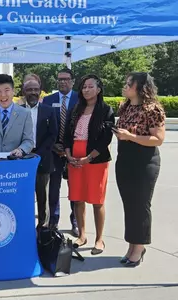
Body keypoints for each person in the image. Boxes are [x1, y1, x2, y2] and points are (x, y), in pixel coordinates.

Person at [113, 72, 165, 267]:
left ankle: (139, 247)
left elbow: (158, 139)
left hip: (144, 162)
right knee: (129, 206)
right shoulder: (125, 106)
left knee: (141, 206)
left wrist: (130, 136)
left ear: (140, 87)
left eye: (129, 84)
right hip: (125, 160)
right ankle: (132, 245)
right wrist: (120, 134)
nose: (125, 86)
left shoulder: (153, 109)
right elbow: (125, 132)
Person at [64, 75, 114, 255]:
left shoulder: (106, 110)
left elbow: (106, 138)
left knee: (96, 200)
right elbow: (67, 135)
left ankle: (99, 239)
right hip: (74, 158)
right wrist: (68, 154)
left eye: (90, 86)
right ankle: (82, 235)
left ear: (99, 90)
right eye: (84, 87)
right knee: (77, 198)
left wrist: (89, 158)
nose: (86, 90)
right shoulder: (76, 109)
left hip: (95, 159)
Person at [42, 68, 79, 237]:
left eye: (66, 79)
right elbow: (44, 127)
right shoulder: (48, 100)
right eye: (59, 79)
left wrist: (69, 148)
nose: (62, 82)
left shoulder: (81, 99)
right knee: (54, 189)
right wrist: (53, 145)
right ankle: (53, 221)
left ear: (72, 80)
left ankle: (76, 221)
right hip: (54, 152)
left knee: (75, 189)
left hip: (75, 152)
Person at [21, 80, 58, 229]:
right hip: (22, 160)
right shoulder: (17, 110)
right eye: (29, 89)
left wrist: (39, 154)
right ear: (24, 92)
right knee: (24, 197)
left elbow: (53, 135)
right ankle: (25, 227)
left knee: (43, 198)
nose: (33, 92)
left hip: (43, 160)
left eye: (36, 89)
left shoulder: (49, 111)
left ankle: (43, 228)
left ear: (40, 91)